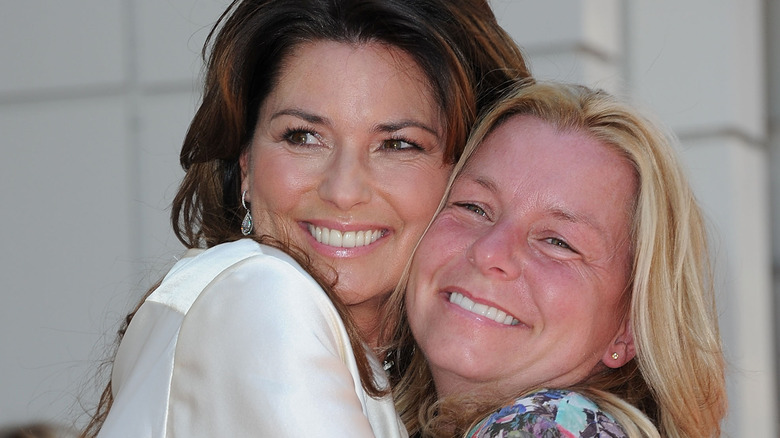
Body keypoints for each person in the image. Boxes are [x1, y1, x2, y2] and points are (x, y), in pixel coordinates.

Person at [80, 0, 530, 437]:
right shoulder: (259, 295)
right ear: (246, 165)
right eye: (303, 136)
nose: (343, 191)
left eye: (398, 144)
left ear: (467, 178)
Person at [384, 82, 727, 438]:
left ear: (629, 327)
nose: (490, 252)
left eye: (557, 242)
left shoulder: (546, 426)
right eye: (474, 207)